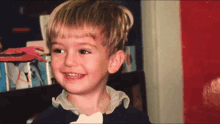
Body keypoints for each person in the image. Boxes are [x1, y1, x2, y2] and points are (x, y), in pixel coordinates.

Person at [32, 0, 151, 123]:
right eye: (59, 50)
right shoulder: (45, 121)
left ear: (113, 62)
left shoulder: (136, 119)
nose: (69, 61)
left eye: (83, 51)